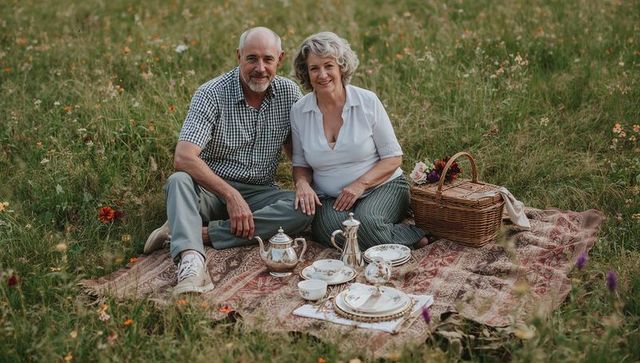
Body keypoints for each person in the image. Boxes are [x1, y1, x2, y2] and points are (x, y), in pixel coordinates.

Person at [144, 27, 312, 296]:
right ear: (238, 56)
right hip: (211, 189)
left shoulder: (289, 94)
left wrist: (302, 183)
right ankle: (192, 263)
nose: (260, 68)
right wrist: (231, 195)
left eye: (267, 59)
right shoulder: (211, 94)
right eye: (251, 59)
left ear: (279, 59)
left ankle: (192, 231)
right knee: (178, 182)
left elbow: (299, 155)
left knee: (305, 208)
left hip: (259, 191)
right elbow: (184, 157)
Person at [290, 31, 428, 251]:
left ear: (341, 68)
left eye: (329, 66)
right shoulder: (299, 111)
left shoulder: (367, 101)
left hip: (382, 186)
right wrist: (302, 184)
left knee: (368, 223)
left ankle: (410, 234)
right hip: (330, 197)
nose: (322, 74)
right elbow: (300, 164)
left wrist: (359, 184)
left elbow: (393, 158)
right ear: (306, 73)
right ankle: (393, 238)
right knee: (327, 230)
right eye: (314, 68)